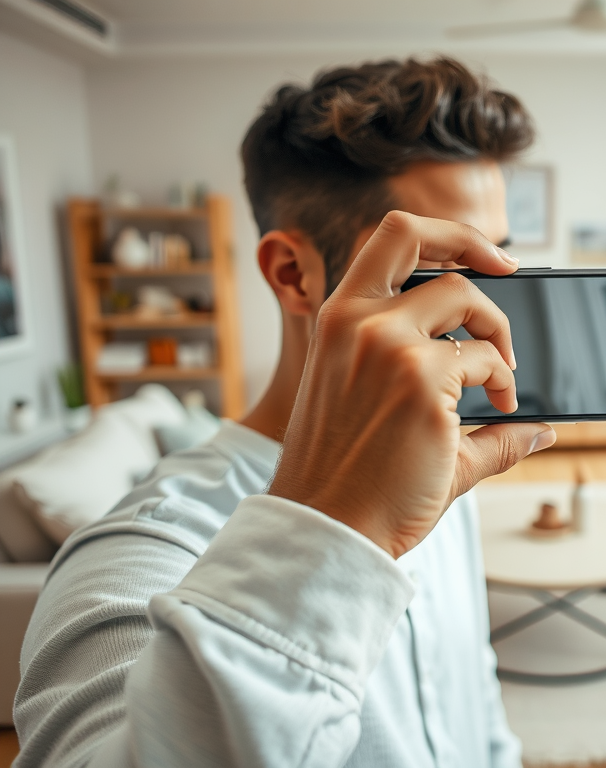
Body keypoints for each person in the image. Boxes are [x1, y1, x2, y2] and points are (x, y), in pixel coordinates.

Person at [14, 57, 557, 767]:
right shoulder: (139, 560)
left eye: (494, 263)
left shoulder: (444, 469)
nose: (481, 306)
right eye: (444, 266)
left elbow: (475, 697)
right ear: (294, 275)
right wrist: (338, 529)